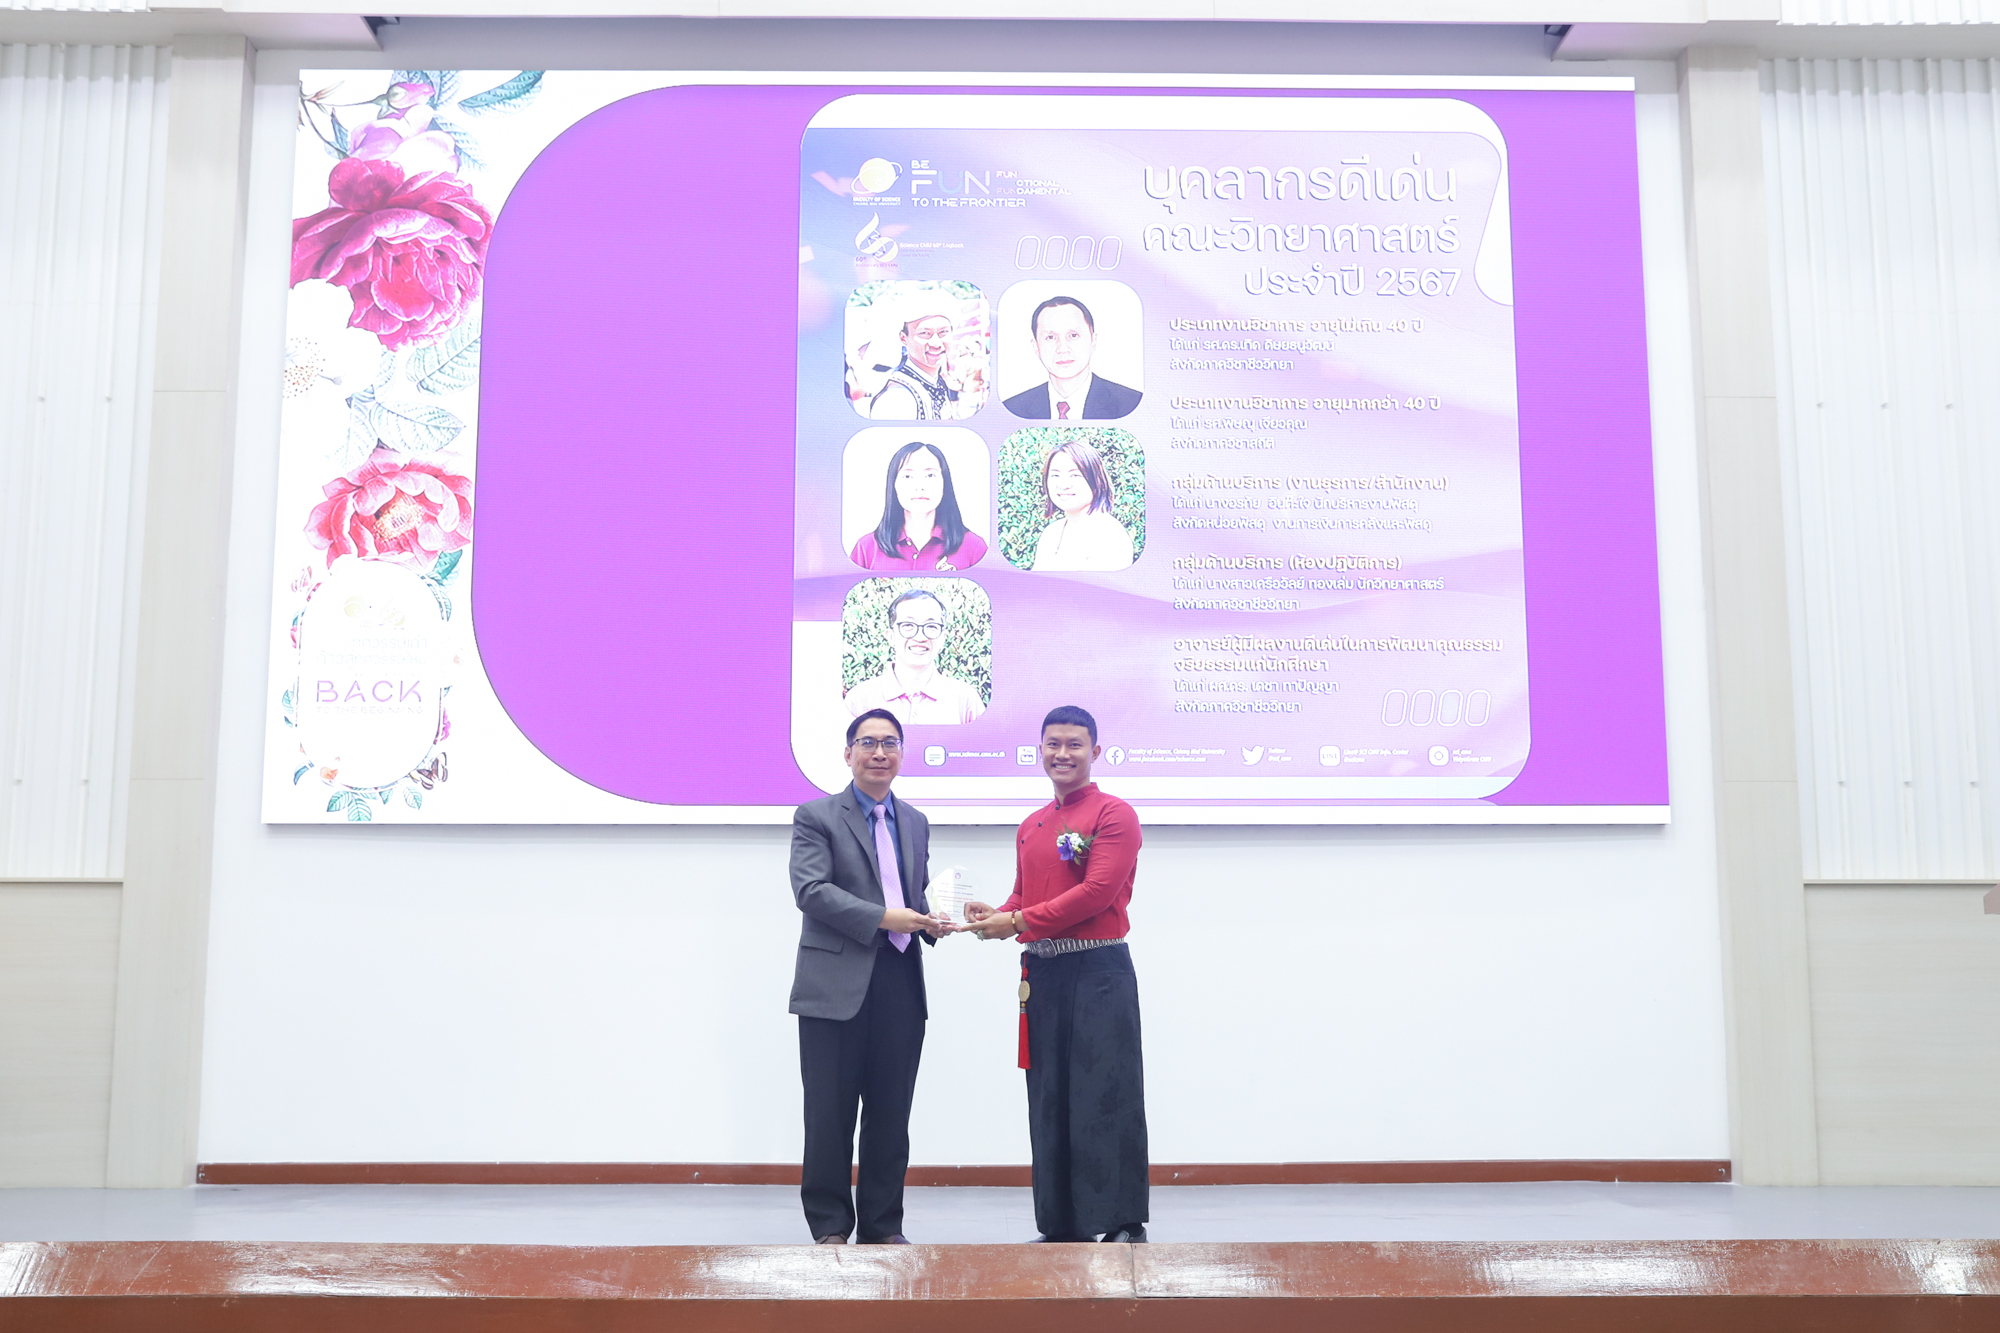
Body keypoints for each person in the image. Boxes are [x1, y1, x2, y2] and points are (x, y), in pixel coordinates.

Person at [959, 705, 1149, 1244]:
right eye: (1053, 744)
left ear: (1095, 751)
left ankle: (1119, 1221)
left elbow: (1097, 894)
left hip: (1099, 971)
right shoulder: (1032, 825)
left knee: (1103, 1093)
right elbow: (1023, 896)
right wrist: (993, 914)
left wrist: (1017, 921)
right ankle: (1061, 1223)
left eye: (1074, 744)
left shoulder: (1114, 814)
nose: (1062, 754)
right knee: (1048, 1097)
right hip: (1042, 976)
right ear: (1039, 750)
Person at [789, 709, 949, 1245]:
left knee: (890, 1113)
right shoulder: (816, 816)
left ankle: (883, 1227)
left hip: (899, 978)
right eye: (867, 743)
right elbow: (812, 891)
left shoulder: (916, 821)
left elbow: (912, 894)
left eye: (890, 743)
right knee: (829, 1113)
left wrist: (936, 917)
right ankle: (830, 1226)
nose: (879, 753)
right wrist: (885, 917)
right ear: (848, 753)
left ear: (902, 754)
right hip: (833, 985)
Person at [844, 589, 988, 724]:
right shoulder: (859, 700)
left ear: (943, 638)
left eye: (931, 626)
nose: (920, 637)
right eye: (908, 625)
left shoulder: (965, 700)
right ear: (890, 636)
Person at [850, 441, 989, 571]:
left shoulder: (974, 546)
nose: (919, 486)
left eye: (930, 475)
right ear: (893, 485)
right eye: (908, 476)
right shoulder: (866, 548)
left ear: (944, 483)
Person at [1003, 296, 1142, 421]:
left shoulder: (1132, 404)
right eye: (1050, 337)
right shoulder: (1011, 410)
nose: (1062, 348)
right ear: (1036, 346)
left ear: (1093, 340)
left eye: (1073, 336)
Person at [1030, 437, 1135, 572]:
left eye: (1075, 475)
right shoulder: (1051, 533)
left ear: (1096, 481)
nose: (1063, 485)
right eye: (1055, 475)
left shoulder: (1110, 536)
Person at [867, 291, 963, 421]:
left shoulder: (936, 382)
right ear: (904, 338)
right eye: (924, 333)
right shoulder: (897, 399)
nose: (936, 343)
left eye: (943, 332)